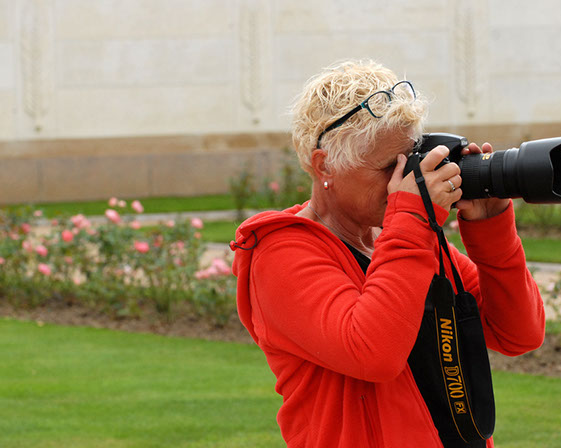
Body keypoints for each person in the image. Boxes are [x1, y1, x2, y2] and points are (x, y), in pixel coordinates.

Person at [230, 60, 544, 447]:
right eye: (386, 168)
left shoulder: (401, 237)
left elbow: (518, 334)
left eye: (409, 161)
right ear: (324, 164)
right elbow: (373, 353)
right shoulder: (280, 252)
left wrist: (490, 227)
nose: (405, 180)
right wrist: (412, 219)